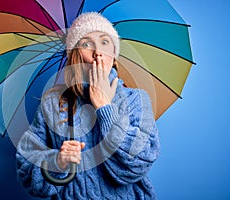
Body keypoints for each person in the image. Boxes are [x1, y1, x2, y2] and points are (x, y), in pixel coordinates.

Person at [16, 12, 160, 199]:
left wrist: (104, 107)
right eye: (86, 44)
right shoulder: (53, 103)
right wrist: (57, 161)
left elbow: (138, 165)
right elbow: (26, 170)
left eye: (105, 42)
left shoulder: (136, 100)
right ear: (75, 55)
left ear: (114, 55)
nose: (97, 52)